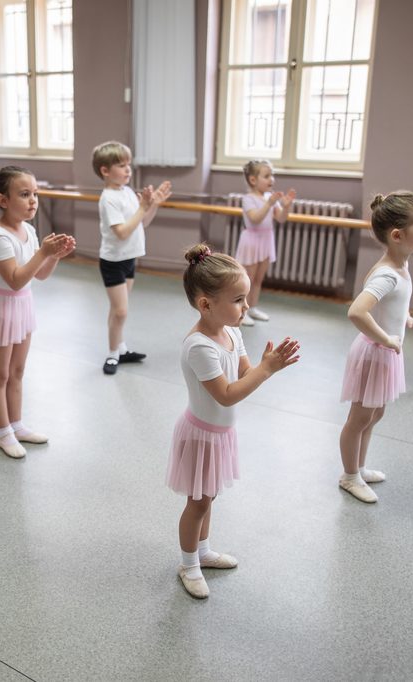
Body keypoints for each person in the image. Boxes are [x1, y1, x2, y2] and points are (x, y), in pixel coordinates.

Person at [168, 244, 300, 598]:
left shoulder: (232, 332)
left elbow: (244, 372)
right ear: (206, 305)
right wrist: (267, 371)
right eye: (239, 300)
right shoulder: (199, 347)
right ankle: (188, 563)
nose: (246, 306)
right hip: (200, 435)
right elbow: (227, 393)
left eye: (245, 299)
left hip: (221, 434)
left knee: (208, 498)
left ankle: (204, 550)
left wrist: (264, 363)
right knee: (197, 503)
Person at [0, 166, 75, 458]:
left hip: (21, 307)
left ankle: (16, 425)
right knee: (0, 374)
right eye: (25, 194)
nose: (33, 201)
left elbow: (38, 276)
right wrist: (44, 252)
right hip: (0, 309)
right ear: (3, 200)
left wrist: (52, 256)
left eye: (35, 194)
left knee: (17, 371)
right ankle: (3, 433)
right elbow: (15, 279)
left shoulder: (27, 230)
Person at [338, 192, 413, 503]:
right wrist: (386, 337)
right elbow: (357, 311)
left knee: (375, 413)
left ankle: (359, 467)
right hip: (375, 353)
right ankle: (349, 476)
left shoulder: (400, 266)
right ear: (397, 235)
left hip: (386, 352)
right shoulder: (387, 275)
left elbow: (388, 304)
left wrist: (404, 318)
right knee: (359, 419)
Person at [92, 141, 172, 374]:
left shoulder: (126, 192)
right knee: (121, 311)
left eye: (129, 164)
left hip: (129, 258)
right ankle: (112, 354)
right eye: (121, 165)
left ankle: (121, 347)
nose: (128, 170)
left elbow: (141, 223)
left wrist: (152, 205)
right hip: (113, 261)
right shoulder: (108, 198)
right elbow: (122, 231)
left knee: (118, 309)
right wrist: (142, 207)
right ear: (105, 171)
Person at [235, 160, 295, 326]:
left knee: (258, 280)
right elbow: (254, 219)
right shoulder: (248, 199)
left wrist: (287, 206)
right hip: (252, 240)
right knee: (248, 279)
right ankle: (242, 311)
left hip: (266, 240)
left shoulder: (269, 197)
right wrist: (269, 204)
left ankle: (253, 307)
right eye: (267, 176)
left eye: (272, 175)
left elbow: (281, 218)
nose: (272, 179)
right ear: (253, 180)